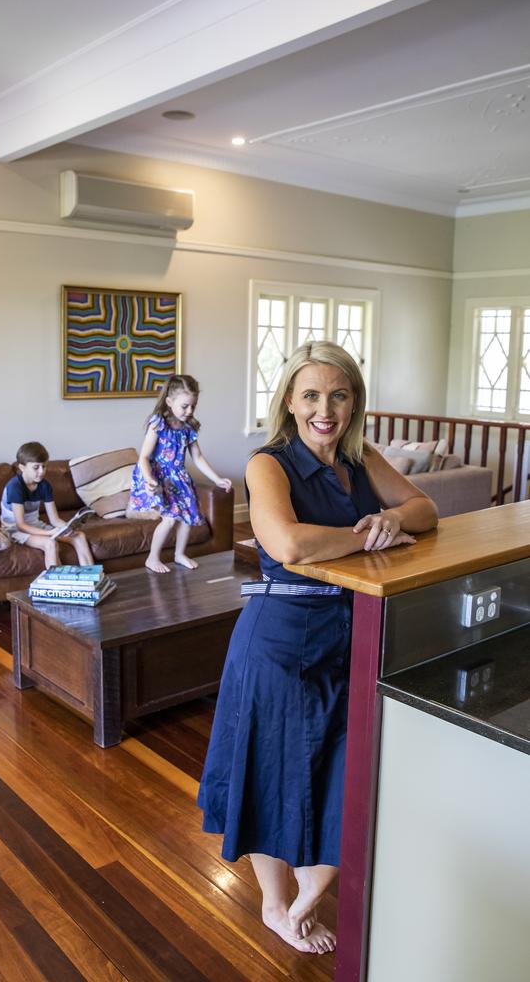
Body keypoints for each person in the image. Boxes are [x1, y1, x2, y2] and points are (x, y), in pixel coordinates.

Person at [197, 341, 438, 955]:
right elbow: (289, 545)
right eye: (310, 395)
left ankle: (306, 895)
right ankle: (277, 907)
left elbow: (426, 509)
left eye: (338, 394)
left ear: (355, 401)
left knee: (339, 774)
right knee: (271, 773)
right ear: (288, 401)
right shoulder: (268, 463)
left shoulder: (361, 458)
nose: (324, 408)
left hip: (349, 637)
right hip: (280, 640)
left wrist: (393, 521)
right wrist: (370, 537)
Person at [128, 374, 232, 573]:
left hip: (178, 477)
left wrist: (217, 479)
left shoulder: (188, 427)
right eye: (185, 406)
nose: (189, 411)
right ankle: (152, 558)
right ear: (169, 402)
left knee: (187, 516)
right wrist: (150, 479)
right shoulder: (158, 423)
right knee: (169, 519)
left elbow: (198, 457)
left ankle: (179, 554)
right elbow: (144, 457)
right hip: (156, 476)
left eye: (193, 406)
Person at [0, 441, 95, 569]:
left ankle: (93, 581)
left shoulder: (44, 485)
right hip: (14, 529)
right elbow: (21, 525)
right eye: (36, 467)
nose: (41, 471)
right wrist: (50, 533)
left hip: (35, 525)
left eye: (44, 466)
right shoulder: (15, 487)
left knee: (79, 536)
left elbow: (54, 519)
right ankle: (57, 586)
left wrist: (67, 528)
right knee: (50, 543)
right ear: (22, 467)